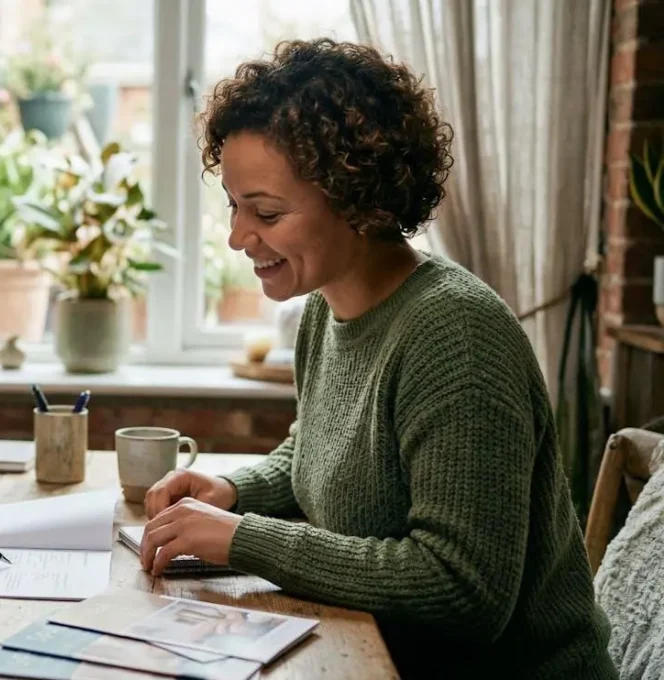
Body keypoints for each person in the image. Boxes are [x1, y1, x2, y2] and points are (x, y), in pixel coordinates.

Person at [138, 39, 617, 679]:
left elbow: (462, 588)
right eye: (234, 204)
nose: (237, 236)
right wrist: (233, 490)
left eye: (267, 212)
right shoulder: (323, 306)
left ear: (359, 201)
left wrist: (245, 538)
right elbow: (324, 453)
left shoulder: (457, 334)